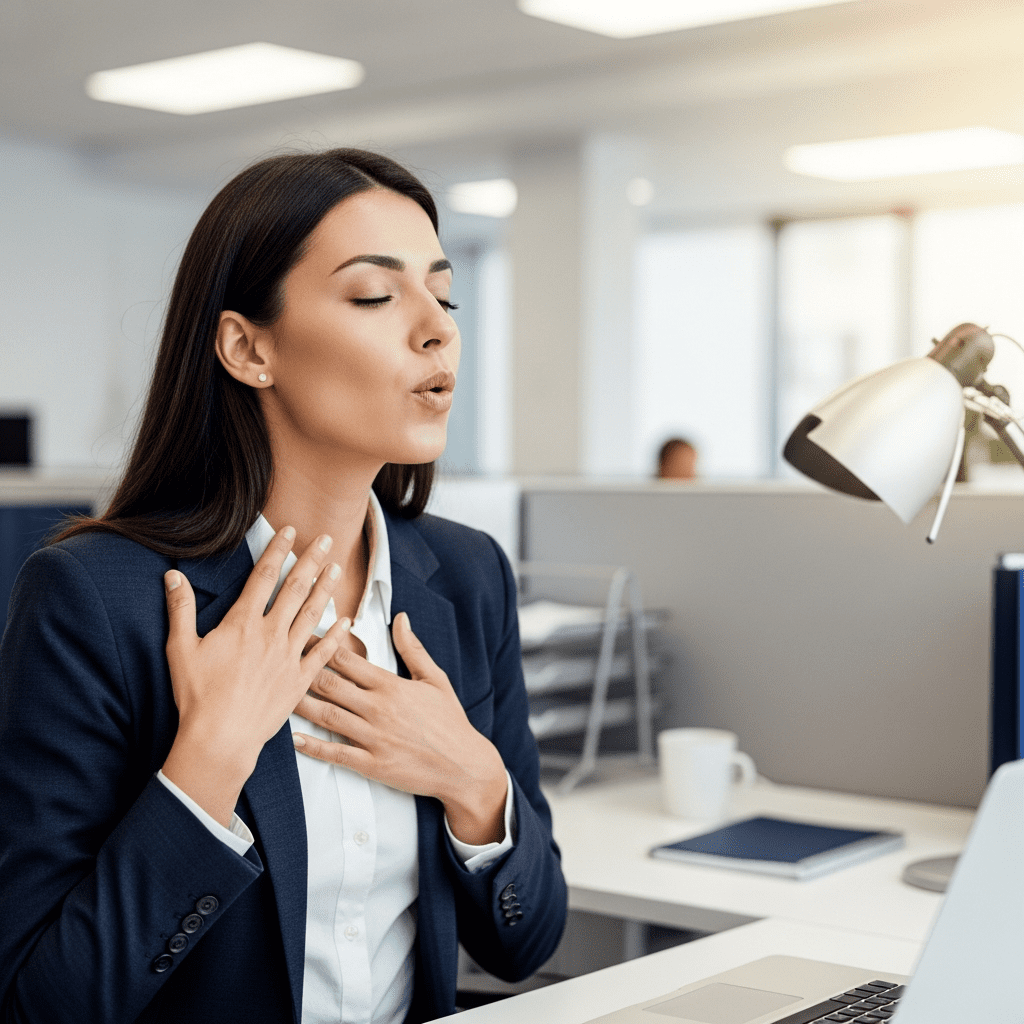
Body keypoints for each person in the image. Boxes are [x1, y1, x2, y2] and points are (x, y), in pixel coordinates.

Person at [0, 149, 567, 1024]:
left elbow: (524, 943)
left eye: (443, 295)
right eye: (377, 296)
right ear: (247, 347)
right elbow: (37, 1004)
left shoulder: (465, 574)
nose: (437, 329)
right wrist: (208, 763)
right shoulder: (93, 598)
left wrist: (473, 782)